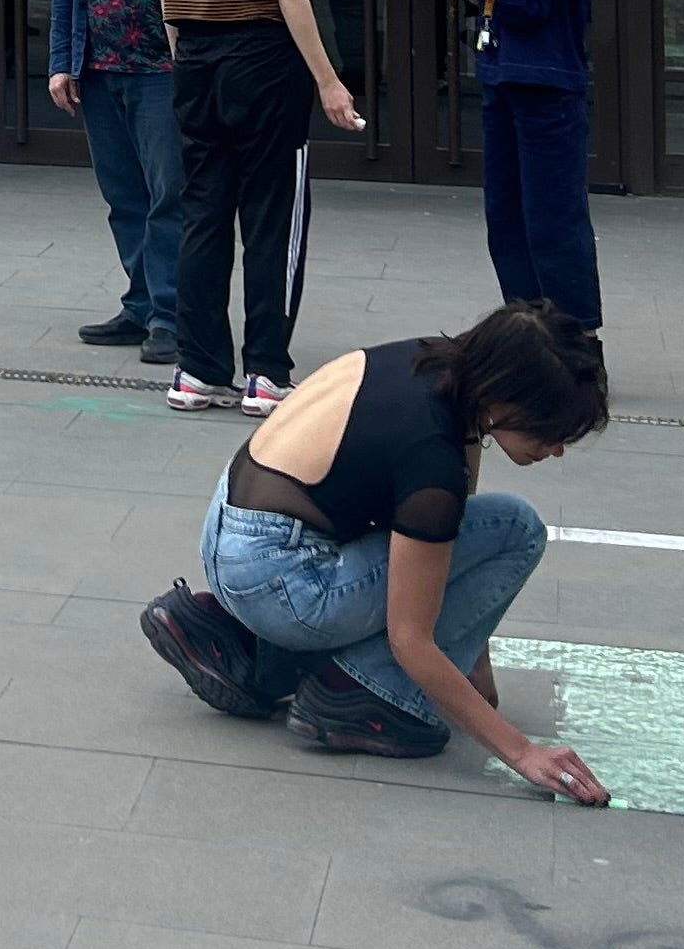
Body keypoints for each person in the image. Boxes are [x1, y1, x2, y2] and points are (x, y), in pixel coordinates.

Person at [139, 299, 614, 796]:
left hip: (234, 531)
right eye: (554, 430)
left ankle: (257, 652)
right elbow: (412, 638)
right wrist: (523, 752)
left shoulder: (437, 367)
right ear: (510, 400)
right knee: (515, 528)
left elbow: (450, 547)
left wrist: (474, 657)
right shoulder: (432, 458)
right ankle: (363, 691)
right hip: (283, 578)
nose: (556, 448)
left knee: (464, 535)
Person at [153, 0, 364, 415]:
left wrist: (181, 54)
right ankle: (266, 370)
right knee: (273, 217)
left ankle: (197, 369)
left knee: (204, 213)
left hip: (194, 56)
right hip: (263, 57)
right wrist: (329, 81)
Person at [417, 0, 603, 329]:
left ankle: (574, 332)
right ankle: (525, 326)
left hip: (545, 84)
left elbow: (537, 4)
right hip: (501, 76)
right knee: (505, 213)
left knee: (552, 216)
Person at [48, 0, 184, 359]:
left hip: (164, 73)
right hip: (100, 70)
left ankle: (172, 316)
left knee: (169, 196)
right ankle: (140, 304)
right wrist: (62, 62)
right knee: (124, 196)